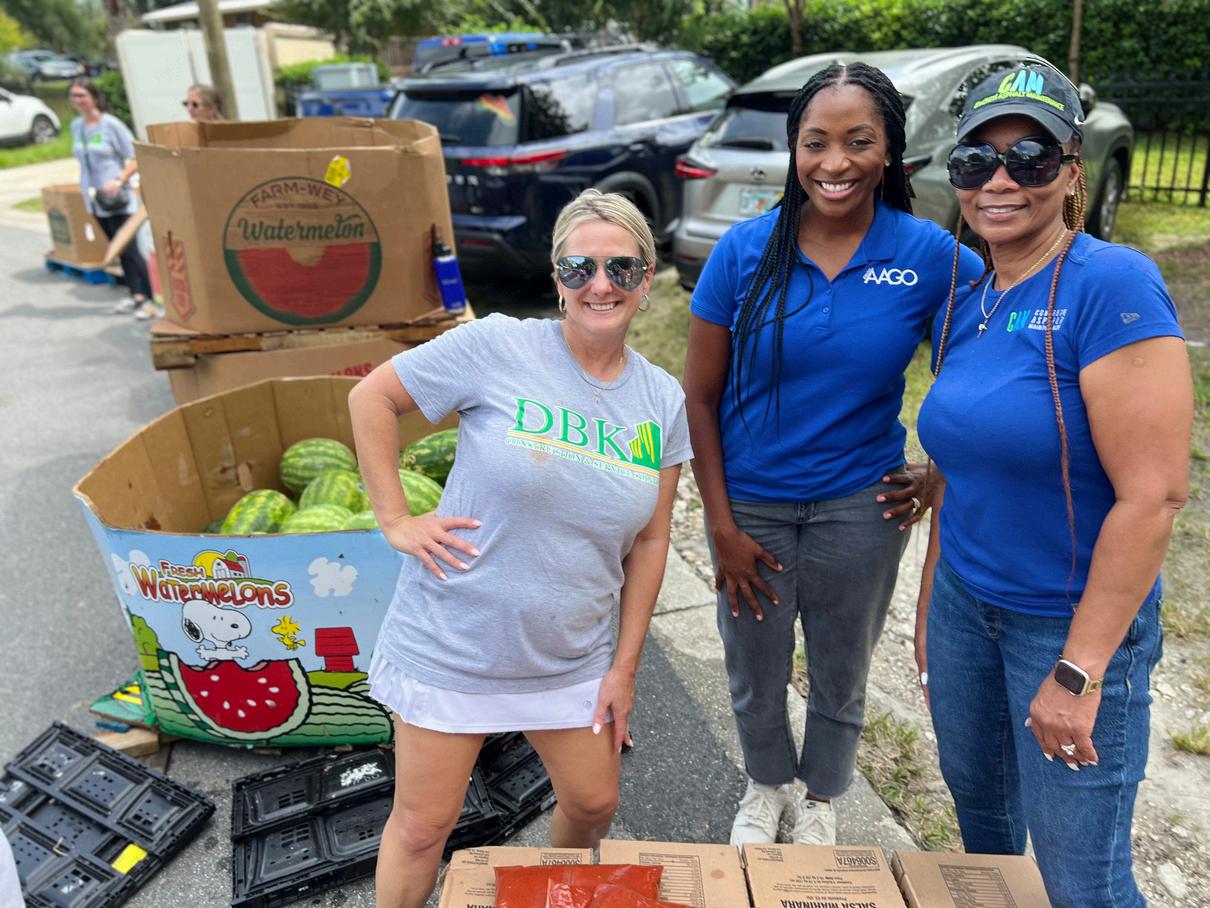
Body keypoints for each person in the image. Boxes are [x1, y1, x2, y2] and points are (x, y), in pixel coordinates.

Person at [348, 189, 691, 908]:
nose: (601, 285)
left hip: (568, 654)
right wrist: (395, 519)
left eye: (622, 268)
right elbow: (370, 398)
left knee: (593, 803)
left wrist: (624, 668)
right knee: (423, 827)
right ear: (557, 278)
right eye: (579, 268)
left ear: (646, 279)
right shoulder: (499, 345)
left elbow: (653, 538)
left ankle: (551, 895)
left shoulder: (661, 399)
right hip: (457, 643)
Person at [684, 61, 984, 847]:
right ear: (794, 151)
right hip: (751, 505)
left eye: (858, 141)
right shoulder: (744, 252)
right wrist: (720, 525)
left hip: (862, 504)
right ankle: (766, 786)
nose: (835, 162)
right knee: (754, 663)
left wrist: (939, 473)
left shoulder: (933, 257)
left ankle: (820, 798)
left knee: (842, 667)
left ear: (889, 154)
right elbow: (698, 399)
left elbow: (985, 384)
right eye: (815, 142)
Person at [914, 63, 1191, 907]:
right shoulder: (967, 298)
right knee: (985, 832)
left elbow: (1154, 496)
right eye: (976, 160)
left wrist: (1079, 670)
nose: (999, 180)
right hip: (966, 608)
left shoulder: (1112, 284)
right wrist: (930, 610)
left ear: (1072, 171)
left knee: (1082, 880)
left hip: (1065, 626)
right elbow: (958, 472)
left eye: (1029, 157)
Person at [67, 77, 156, 320]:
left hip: (117, 198)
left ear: (94, 97)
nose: (78, 101)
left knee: (129, 248)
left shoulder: (111, 125)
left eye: (82, 95)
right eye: (74, 96)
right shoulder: (77, 126)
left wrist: (119, 179)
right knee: (116, 248)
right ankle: (135, 294)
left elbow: (136, 156)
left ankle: (149, 298)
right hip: (95, 199)